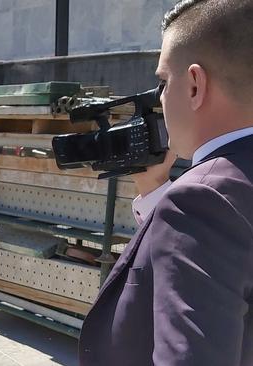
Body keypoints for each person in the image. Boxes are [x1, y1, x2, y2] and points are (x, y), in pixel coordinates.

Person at [79, 1, 253, 365]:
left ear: (194, 86)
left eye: (162, 82)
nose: (159, 99)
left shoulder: (201, 198)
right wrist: (156, 190)